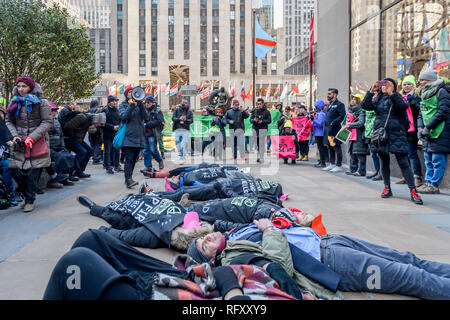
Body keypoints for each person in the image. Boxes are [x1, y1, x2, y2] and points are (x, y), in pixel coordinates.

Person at [43, 228, 292, 300]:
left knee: (75, 264)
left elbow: (281, 264)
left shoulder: (233, 257)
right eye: (203, 240)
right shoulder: (235, 239)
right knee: (92, 239)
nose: (206, 238)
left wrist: (270, 230)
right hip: (202, 277)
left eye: (206, 244)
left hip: (207, 287)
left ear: (212, 256)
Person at [361, 78, 423, 205]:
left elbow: (403, 106)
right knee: (384, 161)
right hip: (381, 134)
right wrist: (371, 92)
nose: (384, 87)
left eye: (388, 84)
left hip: (397, 134)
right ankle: (387, 187)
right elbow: (365, 106)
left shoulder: (398, 97)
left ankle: (413, 191)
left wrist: (392, 94)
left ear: (394, 86)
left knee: (403, 163)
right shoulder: (377, 98)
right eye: (383, 84)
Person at [5, 76, 52, 213]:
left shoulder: (41, 102)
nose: (21, 89)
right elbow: (9, 121)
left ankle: (30, 200)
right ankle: (27, 196)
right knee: (16, 171)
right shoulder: (13, 102)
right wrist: (15, 135)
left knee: (31, 172)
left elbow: (47, 122)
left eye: (24, 86)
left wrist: (32, 137)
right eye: (19, 86)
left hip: (36, 141)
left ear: (30, 87)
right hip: (19, 142)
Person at [416, 70, 450, 194]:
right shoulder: (424, 94)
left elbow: (443, 112)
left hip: (440, 132)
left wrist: (428, 127)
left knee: (438, 161)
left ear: (430, 80)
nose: (420, 82)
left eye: (423, 80)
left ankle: (434, 185)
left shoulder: (442, 92)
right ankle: (428, 183)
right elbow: (421, 113)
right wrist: (420, 128)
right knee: (428, 161)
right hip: (427, 133)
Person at [396, 75, 424, 187]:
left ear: (413, 86)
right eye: (405, 84)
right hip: (401, 129)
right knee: (404, 155)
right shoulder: (400, 97)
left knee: (412, 154)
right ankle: (406, 176)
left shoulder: (417, 97)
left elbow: (419, 111)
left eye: (409, 84)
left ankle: (417, 177)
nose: (407, 86)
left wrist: (412, 102)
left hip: (412, 130)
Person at [119, 87, 149, 188]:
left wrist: (140, 105)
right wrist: (131, 106)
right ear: (127, 95)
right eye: (130, 92)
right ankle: (128, 179)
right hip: (128, 136)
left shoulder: (140, 105)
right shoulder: (123, 105)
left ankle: (129, 178)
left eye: (133, 92)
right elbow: (123, 117)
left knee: (134, 159)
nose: (132, 93)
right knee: (129, 158)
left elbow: (146, 117)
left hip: (138, 136)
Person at [63, 112, 106, 180]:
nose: (97, 125)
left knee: (90, 150)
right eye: (98, 123)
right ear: (95, 119)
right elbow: (68, 126)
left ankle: (79, 171)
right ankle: (70, 172)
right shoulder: (82, 117)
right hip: (68, 138)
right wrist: (72, 136)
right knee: (82, 152)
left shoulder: (89, 121)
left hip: (77, 139)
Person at [46, 103, 74, 188]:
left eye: (55, 111)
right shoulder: (45, 122)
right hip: (49, 148)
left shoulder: (57, 121)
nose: (54, 112)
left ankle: (64, 178)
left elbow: (61, 135)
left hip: (58, 146)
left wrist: (62, 146)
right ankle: (53, 180)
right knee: (60, 157)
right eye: (52, 110)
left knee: (69, 156)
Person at [343, 94, 369, 177]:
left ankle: (361, 171)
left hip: (359, 135)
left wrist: (350, 125)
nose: (352, 100)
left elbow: (361, 123)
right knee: (352, 153)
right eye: (352, 99)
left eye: (355, 99)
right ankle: (353, 169)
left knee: (360, 153)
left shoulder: (361, 111)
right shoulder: (351, 111)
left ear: (359, 101)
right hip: (351, 135)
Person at [322, 88, 346, 172]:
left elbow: (342, 115)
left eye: (329, 94)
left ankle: (338, 165)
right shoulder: (329, 104)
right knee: (330, 146)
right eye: (327, 94)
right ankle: (332, 164)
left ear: (335, 95)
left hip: (334, 129)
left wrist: (333, 122)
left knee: (336, 147)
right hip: (328, 130)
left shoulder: (339, 104)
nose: (327, 95)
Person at [0, 105, 18, 206]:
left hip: (4, 158)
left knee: (9, 166)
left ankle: (11, 194)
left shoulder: (6, 127)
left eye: (2, 113)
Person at [142, 96, 164, 174]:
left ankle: (160, 160)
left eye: (148, 102)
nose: (146, 104)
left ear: (152, 103)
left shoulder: (157, 110)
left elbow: (159, 121)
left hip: (153, 133)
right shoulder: (143, 110)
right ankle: (148, 166)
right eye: (145, 102)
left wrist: (147, 124)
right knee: (146, 151)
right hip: (144, 133)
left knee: (152, 149)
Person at [102, 95, 122, 175]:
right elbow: (102, 123)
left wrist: (119, 126)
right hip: (107, 134)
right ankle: (108, 167)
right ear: (109, 102)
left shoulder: (117, 110)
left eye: (115, 101)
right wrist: (112, 127)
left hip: (116, 134)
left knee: (117, 151)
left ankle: (117, 166)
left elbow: (120, 120)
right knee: (107, 151)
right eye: (113, 101)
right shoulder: (104, 110)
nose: (115, 102)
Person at [364, 104, 383, 181]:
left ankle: (381, 173)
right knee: (374, 154)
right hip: (369, 134)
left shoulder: (377, 105)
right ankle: (377, 171)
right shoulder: (366, 108)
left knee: (379, 154)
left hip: (377, 133)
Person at [250, 98, 271, 163]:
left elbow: (269, 121)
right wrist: (254, 120)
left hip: (263, 129)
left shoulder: (267, 112)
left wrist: (262, 121)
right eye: (258, 104)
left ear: (263, 104)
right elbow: (250, 120)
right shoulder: (254, 111)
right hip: (255, 129)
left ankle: (260, 157)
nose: (259, 105)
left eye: (260, 104)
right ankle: (259, 155)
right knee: (257, 144)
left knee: (261, 144)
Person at [172, 99, 193, 164]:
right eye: (183, 102)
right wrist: (179, 119)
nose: (184, 104)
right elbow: (173, 118)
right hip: (177, 129)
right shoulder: (176, 110)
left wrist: (186, 120)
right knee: (178, 144)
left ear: (188, 104)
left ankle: (182, 157)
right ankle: (182, 154)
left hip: (185, 130)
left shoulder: (189, 112)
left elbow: (191, 120)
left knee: (183, 144)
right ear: (181, 103)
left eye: (186, 103)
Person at [312, 101, 329, 168]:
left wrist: (314, 120)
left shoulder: (321, 114)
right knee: (320, 148)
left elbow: (321, 124)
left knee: (321, 148)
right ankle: (321, 161)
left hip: (320, 133)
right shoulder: (318, 113)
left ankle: (323, 163)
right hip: (317, 133)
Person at [87, 100, 103, 165]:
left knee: (92, 143)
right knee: (97, 144)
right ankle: (96, 159)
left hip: (90, 129)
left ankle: (93, 156)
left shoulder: (88, 111)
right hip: (97, 130)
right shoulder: (99, 110)